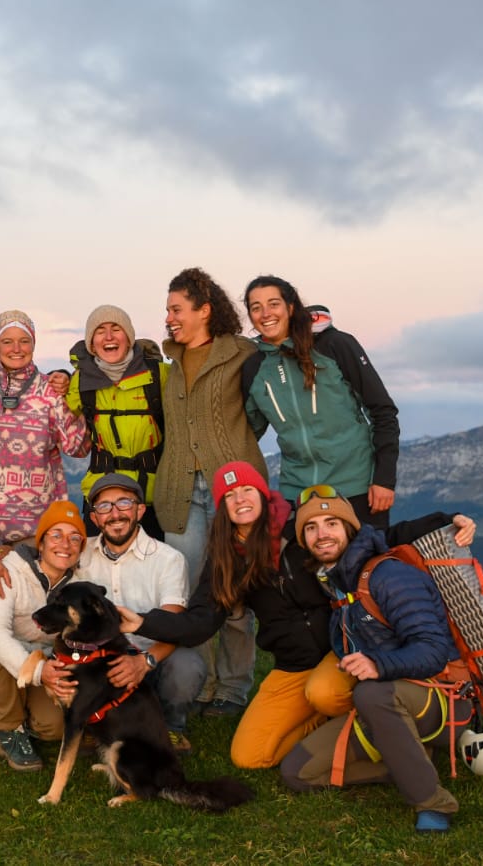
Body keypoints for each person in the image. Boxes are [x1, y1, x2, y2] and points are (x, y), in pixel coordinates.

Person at [125, 462, 474, 769]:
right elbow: (198, 623)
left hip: (336, 653)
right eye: (230, 496)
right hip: (291, 665)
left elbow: (379, 537)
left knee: (323, 693)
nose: (240, 499)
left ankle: (380, 729)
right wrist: (143, 622)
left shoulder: (301, 530)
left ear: (262, 494)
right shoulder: (227, 559)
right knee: (250, 756)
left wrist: (446, 520)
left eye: (247, 489)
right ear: (222, 507)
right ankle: (333, 734)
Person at [279, 494, 470, 833]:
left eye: (332, 524)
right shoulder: (336, 582)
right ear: (303, 540)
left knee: (371, 694)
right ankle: (409, 759)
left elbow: (434, 650)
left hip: (442, 698)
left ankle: (433, 802)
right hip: (389, 702)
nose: (322, 534)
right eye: (311, 528)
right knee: (298, 772)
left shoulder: (389, 575)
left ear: (350, 530)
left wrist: (378, 664)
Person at [151, 267, 264, 717]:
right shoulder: (170, 360)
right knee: (194, 590)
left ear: (204, 309)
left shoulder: (242, 353)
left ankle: (233, 689)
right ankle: (201, 681)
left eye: (177, 309)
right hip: (180, 491)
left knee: (234, 593)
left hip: (232, 490)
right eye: (168, 310)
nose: (170, 317)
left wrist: (232, 445)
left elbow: (260, 412)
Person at [241, 274, 401, 528]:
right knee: (304, 567)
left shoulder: (334, 345)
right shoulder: (254, 367)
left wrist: (384, 479)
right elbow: (246, 433)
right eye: (255, 308)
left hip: (357, 488)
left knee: (365, 566)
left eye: (273, 304)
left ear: (290, 308)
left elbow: (382, 411)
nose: (265, 314)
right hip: (298, 494)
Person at [0, 500, 89, 772]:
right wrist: (41, 671)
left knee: (56, 726)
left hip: (34, 666)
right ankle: (10, 729)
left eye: (75, 538)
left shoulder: (77, 585)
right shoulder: (6, 571)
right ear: (41, 542)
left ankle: (22, 714)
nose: (66, 544)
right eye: (56, 535)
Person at [0, 309, 89, 604]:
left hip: (39, 524)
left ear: (34, 345)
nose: (16, 349)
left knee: (38, 609)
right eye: (7, 341)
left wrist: (71, 394)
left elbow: (77, 447)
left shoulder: (50, 387)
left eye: (24, 341)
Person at [77, 474, 205, 753]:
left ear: (140, 510)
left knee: (187, 666)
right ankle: (94, 724)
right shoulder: (80, 555)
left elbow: (174, 626)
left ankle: (170, 727)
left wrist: (144, 662)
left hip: (152, 661)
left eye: (124, 502)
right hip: (101, 666)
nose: (115, 513)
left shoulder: (168, 559)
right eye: (104, 507)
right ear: (95, 518)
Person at [64, 304, 170, 541]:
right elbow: (60, 413)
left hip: (152, 494)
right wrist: (59, 375)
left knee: (153, 569)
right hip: (101, 494)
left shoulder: (159, 375)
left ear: (129, 338)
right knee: (94, 569)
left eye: (116, 329)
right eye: (100, 331)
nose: (109, 337)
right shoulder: (80, 382)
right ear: (91, 343)